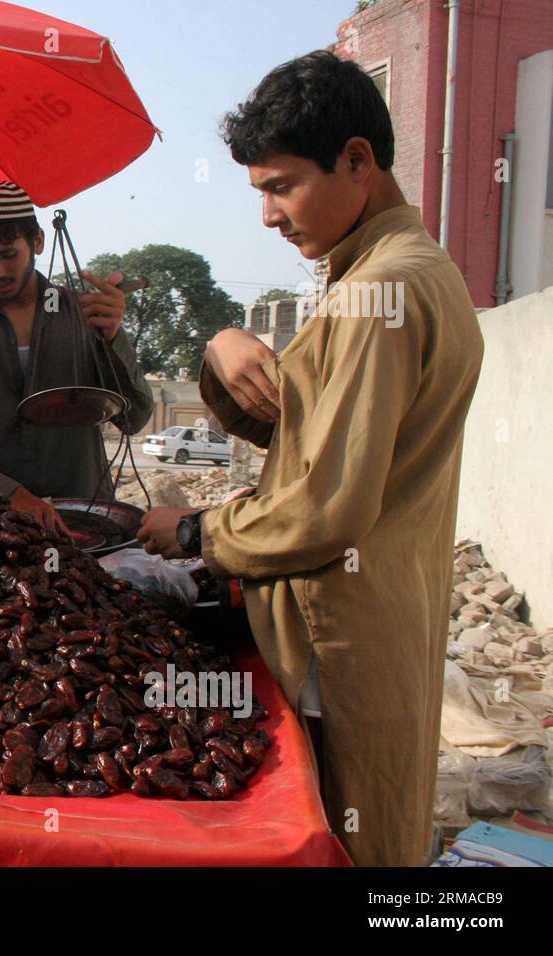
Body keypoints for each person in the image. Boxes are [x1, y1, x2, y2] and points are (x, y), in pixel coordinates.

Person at [136, 51, 483, 866]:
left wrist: (193, 532)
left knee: (346, 835)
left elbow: (327, 505)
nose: (267, 216)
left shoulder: (376, 298)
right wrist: (222, 351)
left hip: (340, 633)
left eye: (280, 186)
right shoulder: (407, 275)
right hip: (385, 619)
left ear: (358, 161)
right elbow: (300, 421)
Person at [0, 181, 153, 531]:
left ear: (37, 242)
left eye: (8, 254)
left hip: (86, 519)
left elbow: (134, 417)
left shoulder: (86, 316)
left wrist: (113, 337)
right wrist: (12, 494)